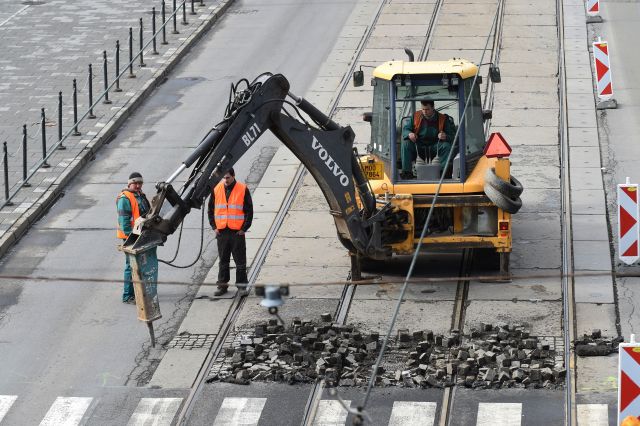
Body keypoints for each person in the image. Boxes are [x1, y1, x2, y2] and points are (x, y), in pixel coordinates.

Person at [208, 168, 253, 296]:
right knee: (223, 260)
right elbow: (211, 210)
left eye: (227, 177)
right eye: (224, 178)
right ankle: (222, 286)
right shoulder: (217, 189)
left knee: (240, 261)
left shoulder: (242, 189)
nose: (225, 180)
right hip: (222, 232)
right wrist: (214, 227)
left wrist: (244, 229)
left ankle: (242, 287)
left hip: (236, 232)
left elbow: (249, 211)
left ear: (233, 176)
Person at [116, 172, 151, 304]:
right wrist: (132, 237)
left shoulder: (140, 195)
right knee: (131, 266)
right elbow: (124, 220)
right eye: (135, 183)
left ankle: (138, 292)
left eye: (140, 183)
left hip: (140, 234)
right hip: (131, 236)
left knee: (140, 265)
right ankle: (127, 295)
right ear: (129, 183)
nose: (137, 185)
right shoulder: (125, 198)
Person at [400, 100, 456, 179]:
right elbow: (406, 130)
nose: (424, 112)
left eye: (427, 109)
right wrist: (410, 134)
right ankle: (407, 172)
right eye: (423, 109)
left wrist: (445, 136)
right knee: (406, 143)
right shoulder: (415, 116)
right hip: (418, 146)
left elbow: (452, 136)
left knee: (446, 146)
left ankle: (443, 173)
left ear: (433, 108)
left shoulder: (443, 118)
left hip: (435, 146)